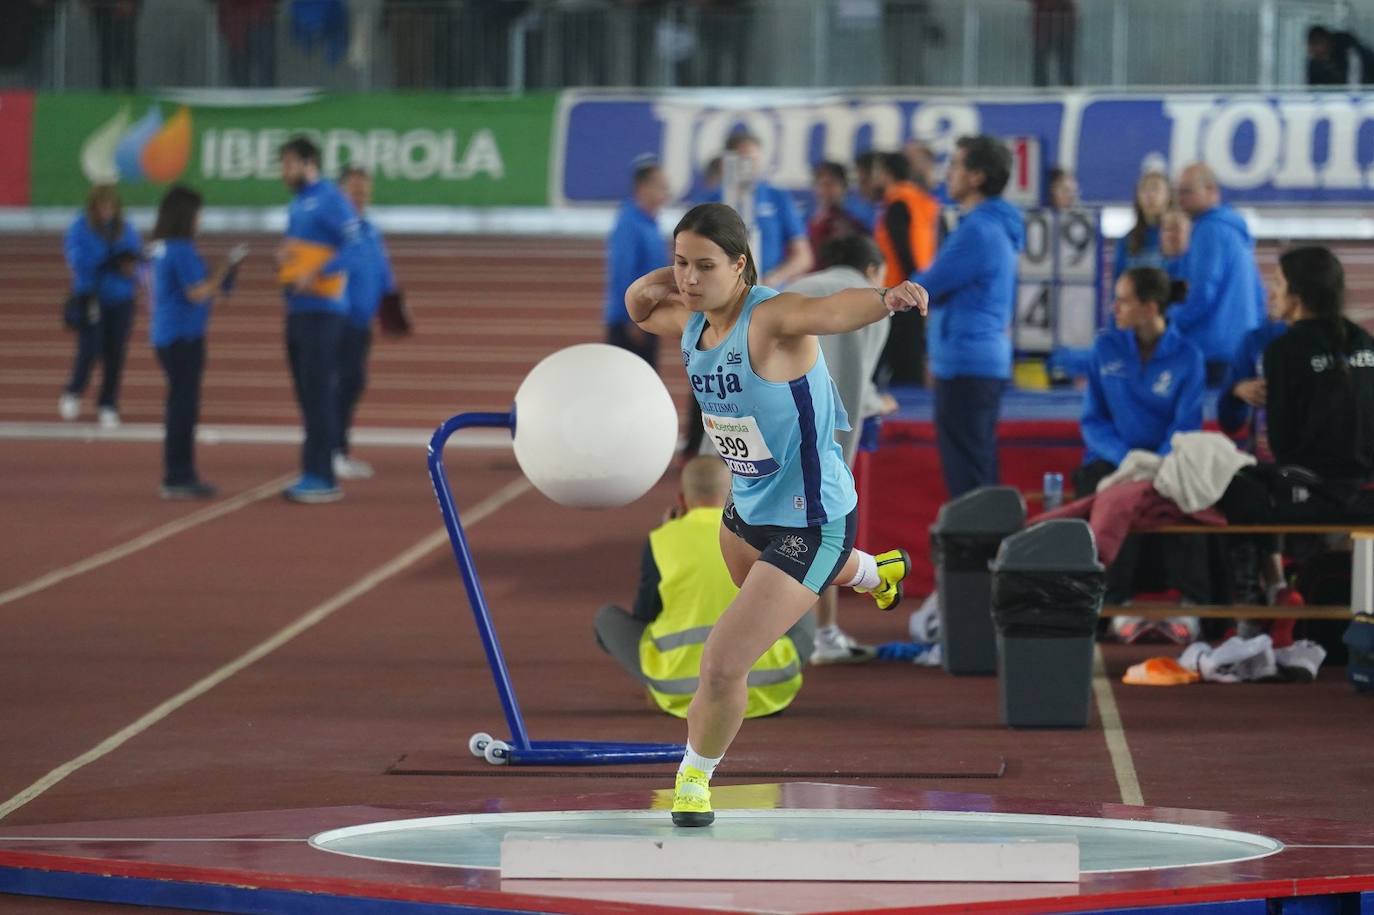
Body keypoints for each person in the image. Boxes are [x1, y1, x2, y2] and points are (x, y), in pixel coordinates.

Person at [625, 202, 927, 827]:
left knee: (724, 661)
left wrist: (887, 298)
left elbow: (831, 309)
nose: (687, 278)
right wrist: (666, 278)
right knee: (781, 586)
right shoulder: (694, 321)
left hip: (811, 519)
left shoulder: (771, 318)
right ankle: (873, 573)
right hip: (744, 512)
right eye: (680, 263)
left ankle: (693, 779)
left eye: (705, 266)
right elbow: (637, 309)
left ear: (740, 265)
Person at [594, 455, 813, 717]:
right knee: (804, 595)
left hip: (678, 688)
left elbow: (645, 614)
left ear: (682, 499)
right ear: (734, 493)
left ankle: (655, 687)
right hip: (769, 684)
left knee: (605, 618)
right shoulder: (762, 532)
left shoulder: (662, 539)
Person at [1077, 267, 1207, 645]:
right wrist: (1128, 460)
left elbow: (1186, 424)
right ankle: (1115, 605)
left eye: (1123, 299)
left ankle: (1194, 607)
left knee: (1196, 497)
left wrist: (1158, 464)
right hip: (1113, 460)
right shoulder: (1105, 349)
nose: (1114, 306)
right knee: (1114, 495)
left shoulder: (1188, 356)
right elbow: (1093, 421)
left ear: (1149, 307)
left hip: (1167, 461)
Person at [784, 234, 893, 664]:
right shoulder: (873, 302)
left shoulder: (792, 291)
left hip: (765, 427)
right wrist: (878, 402)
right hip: (822, 439)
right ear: (871, 271)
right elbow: (860, 382)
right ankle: (823, 634)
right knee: (825, 530)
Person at [912, 135, 1025, 499]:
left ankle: (980, 554)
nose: (948, 173)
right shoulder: (990, 226)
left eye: (956, 165)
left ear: (977, 176)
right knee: (977, 471)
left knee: (969, 484)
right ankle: (986, 551)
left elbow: (926, 285)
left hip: (966, 364)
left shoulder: (977, 230)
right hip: (976, 361)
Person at [277, 135, 361, 503]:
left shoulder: (328, 198)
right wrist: (287, 260)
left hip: (324, 312)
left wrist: (321, 271)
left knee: (318, 394)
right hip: (298, 309)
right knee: (306, 395)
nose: (283, 171)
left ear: (308, 162)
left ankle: (321, 475)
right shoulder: (298, 203)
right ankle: (314, 469)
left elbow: (355, 245)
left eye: (288, 163)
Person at [146, 185, 245, 500]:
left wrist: (219, 280)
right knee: (182, 409)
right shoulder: (180, 248)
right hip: (182, 336)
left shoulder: (161, 246)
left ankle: (179, 472)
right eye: (198, 212)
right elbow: (196, 292)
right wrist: (224, 273)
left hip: (168, 332)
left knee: (180, 406)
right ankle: (178, 474)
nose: (201, 218)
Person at [1264, 246, 1374, 483]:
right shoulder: (1364, 340)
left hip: (1312, 492)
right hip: (1367, 488)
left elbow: (1281, 441)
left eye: (1277, 284)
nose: (1271, 293)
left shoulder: (1283, 351)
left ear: (1297, 295)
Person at [1173, 163, 1265, 386]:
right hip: (1240, 347)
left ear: (1211, 190)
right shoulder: (1235, 233)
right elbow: (1259, 294)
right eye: (1178, 192)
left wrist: (1171, 322)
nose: (1179, 199)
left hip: (1210, 349)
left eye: (1187, 191)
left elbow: (1203, 291)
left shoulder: (1208, 230)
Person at [60, 185, 142, 428]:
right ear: (93, 207)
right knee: (90, 348)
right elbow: (76, 260)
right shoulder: (80, 227)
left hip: (121, 298)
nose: (107, 211)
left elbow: (134, 259)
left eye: (111, 207)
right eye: (102, 207)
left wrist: (130, 265)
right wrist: (107, 260)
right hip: (91, 296)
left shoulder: (125, 228)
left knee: (115, 353)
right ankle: (74, 390)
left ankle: (108, 403)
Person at [335, 165, 396, 481]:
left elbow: (382, 271)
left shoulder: (370, 229)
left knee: (353, 385)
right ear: (341, 192)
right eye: (354, 189)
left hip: (362, 322)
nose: (360, 195)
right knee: (339, 387)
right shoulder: (336, 230)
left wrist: (393, 307)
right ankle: (331, 452)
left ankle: (339, 451)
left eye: (364, 189)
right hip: (337, 320)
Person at [860, 151, 939, 385]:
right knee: (909, 362)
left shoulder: (897, 204)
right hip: (916, 289)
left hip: (899, 294)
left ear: (886, 173)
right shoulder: (921, 202)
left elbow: (904, 251)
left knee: (901, 365)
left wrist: (907, 289)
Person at [709, 128, 812, 287]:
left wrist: (774, 278)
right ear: (728, 162)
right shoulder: (712, 201)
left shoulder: (777, 197)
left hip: (768, 292)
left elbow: (803, 256)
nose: (750, 166)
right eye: (744, 160)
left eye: (754, 159)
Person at [604, 158, 669, 366]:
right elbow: (622, 271)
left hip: (648, 316)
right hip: (631, 321)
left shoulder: (652, 222)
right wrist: (630, 318)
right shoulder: (629, 223)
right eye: (661, 186)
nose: (666, 192)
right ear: (643, 188)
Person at [806, 161, 868, 270]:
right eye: (822, 184)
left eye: (831, 185)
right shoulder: (807, 220)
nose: (826, 190)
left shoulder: (850, 224)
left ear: (844, 188)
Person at [1113, 172, 1172, 283]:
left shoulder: (1179, 237)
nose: (1150, 195)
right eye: (1144, 189)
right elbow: (1119, 283)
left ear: (1169, 195)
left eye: (1155, 188)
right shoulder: (1127, 240)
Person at [85, 0, 140, 89]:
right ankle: (107, 90)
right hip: (103, 11)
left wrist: (132, 3)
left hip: (123, 15)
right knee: (106, 55)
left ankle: (129, 91)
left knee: (125, 56)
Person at [1306, 25, 1374, 86]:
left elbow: (1355, 84)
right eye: (1310, 45)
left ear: (1327, 41)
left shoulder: (1351, 54)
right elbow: (1313, 88)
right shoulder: (1315, 64)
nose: (1312, 49)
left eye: (1316, 44)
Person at [1030, 0, 1075, 87]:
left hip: (1063, 27)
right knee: (1040, 65)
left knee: (1066, 66)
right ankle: (1040, 93)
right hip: (1044, 29)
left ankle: (1070, 92)